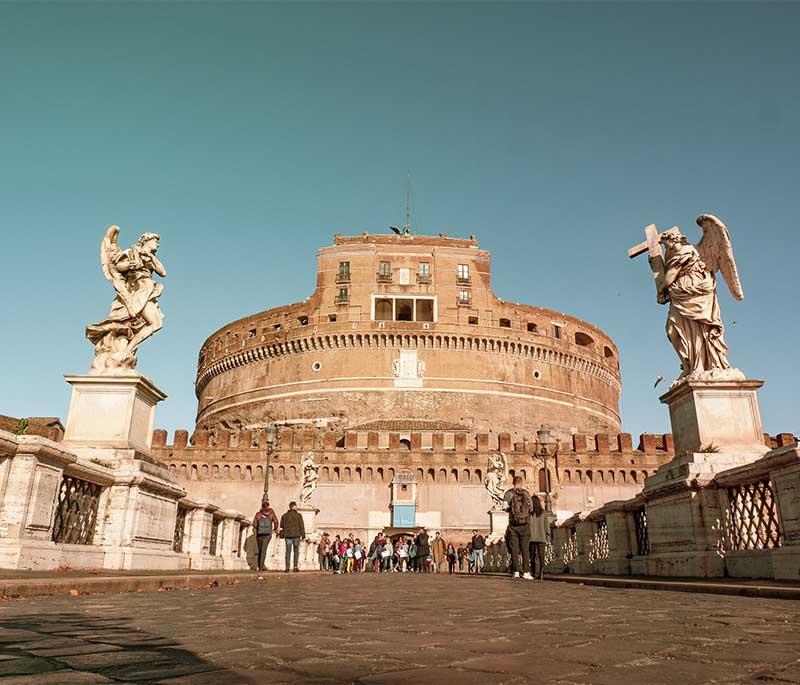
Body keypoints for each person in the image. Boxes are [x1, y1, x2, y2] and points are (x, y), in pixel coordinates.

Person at [504, 476, 533, 580]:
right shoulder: (526, 493)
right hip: (525, 524)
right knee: (525, 549)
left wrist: (513, 512)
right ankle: (526, 572)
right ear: (521, 483)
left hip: (513, 525)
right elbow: (531, 508)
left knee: (515, 550)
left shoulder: (508, 493)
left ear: (513, 483)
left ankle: (516, 571)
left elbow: (504, 508)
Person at [278, 501, 306, 572]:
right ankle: (295, 567)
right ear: (293, 506)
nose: (297, 507)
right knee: (296, 551)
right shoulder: (299, 515)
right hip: (296, 535)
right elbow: (301, 526)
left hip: (287, 536)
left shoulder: (284, 516)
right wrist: (303, 535)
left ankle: (287, 568)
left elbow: (281, 526)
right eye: (296, 506)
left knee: (288, 551)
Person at [252, 499, 278, 572]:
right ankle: (261, 567)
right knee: (264, 550)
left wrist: (259, 528)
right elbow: (276, 521)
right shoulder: (271, 513)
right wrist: (274, 529)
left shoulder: (258, 514)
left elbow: (254, 524)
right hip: (267, 534)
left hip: (259, 534)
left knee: (260, 550)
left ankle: (259, 565)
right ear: (268, 506)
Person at [528, 495, 550, 580]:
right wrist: (548, 537)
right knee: (541, 556)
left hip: (531, 538)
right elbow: (546, 526)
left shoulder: (530, 514)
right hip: (542, 538)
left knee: (532, 556)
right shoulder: (543, 513)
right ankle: (541, 572)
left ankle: (533, 572)